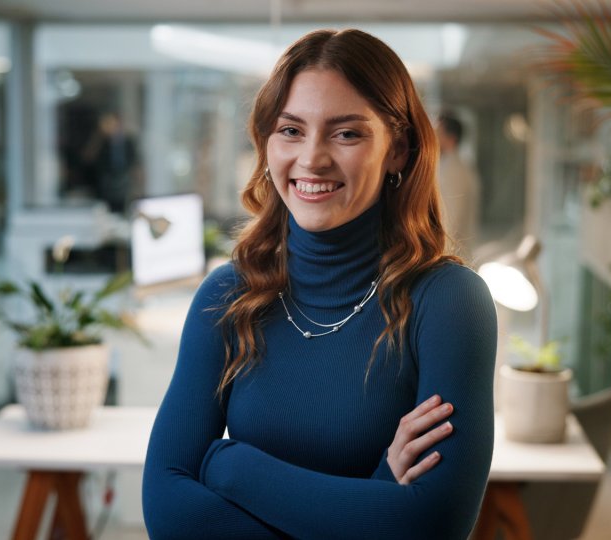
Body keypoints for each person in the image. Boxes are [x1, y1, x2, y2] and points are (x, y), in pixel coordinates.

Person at [142, 28, 497, 539]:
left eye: (346, 133)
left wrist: (228, 467)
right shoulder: (227, 298)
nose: (311, 158)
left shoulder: (447, 302)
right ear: (266, 141)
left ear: (397, 148)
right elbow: (169, 513)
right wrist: (377, 493)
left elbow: (433, 525)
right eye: (290, 130)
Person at [436, 111, 482, 257]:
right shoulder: (449, 165)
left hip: (452, 256)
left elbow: (450, 221)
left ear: (451, 138)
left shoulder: (454, 170)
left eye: (438, 132)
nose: (433, 136)